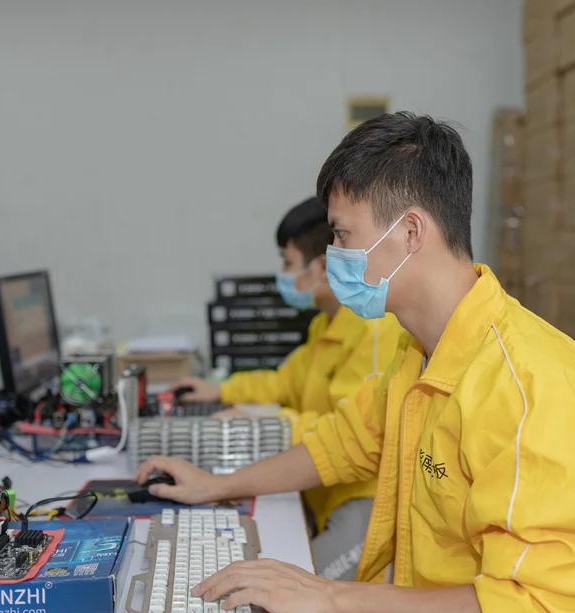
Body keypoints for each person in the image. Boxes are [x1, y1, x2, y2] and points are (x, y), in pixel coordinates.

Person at [138, 112, 575, 613]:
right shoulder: (420, 349)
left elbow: (532, 611)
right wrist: (216, 486)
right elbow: (344, 443)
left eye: (343, 235)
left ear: (411, 231)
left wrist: (329, 597)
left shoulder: (532, 388)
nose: (334, 257)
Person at [173, 196, 405, 583]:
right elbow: (284, 383)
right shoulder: (326, 324)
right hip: (323, 490)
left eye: (287, 261)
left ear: (323, 266)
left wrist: (265, 424)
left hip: (366, 502)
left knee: (291, 595)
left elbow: (348, 433)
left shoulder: (374, 330)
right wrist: (221, 392)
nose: (282, 273)